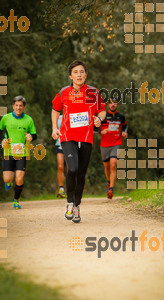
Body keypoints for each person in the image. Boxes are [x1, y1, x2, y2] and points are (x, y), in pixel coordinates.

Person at [51, 60, 106, 223]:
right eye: (75, 72)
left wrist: (99, 119)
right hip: (68, 136)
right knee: (72, 169)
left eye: (82, 72)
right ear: (70, 75)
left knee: (81, 174)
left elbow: (102, 110)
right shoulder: (64, 92)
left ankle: (77, 206)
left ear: (86, 74)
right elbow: (55, 109)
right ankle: (69, 202)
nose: (79, 75)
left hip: (87, 137)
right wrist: (55, 127)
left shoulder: (93, 92)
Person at [0, 95, 37, 209]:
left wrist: (31, 137)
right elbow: (0, 131)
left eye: (21, 106)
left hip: (23, 153)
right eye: (16, 105)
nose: (18, 108)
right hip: (8, 152)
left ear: (24, 107)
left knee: (19, 178)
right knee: (7, 178)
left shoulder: (29, 120)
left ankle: (16, 200)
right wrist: (2, 139)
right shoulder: (5, 118)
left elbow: (34, 134)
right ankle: (8, 182)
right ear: (13, 106)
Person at [100, 98, 128, 199]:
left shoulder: (121, 117)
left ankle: (111, 189)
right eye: (111, 103)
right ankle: (108, 182)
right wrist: (101, 132)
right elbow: (95, 128)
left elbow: (125, 126)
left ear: (117, 105)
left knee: (113, 165)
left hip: (116, 144)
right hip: (104, 145)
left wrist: (124, 132)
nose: (113, 105)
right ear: (108, 105)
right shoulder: (103, 116)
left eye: (115, 103)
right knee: (107, 167)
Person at [55, 114, 66, 198]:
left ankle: (71, 188)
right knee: (60, 166)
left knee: (71, 167)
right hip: (60, 143)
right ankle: (61, 188)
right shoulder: (57, 116)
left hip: (71, 143)